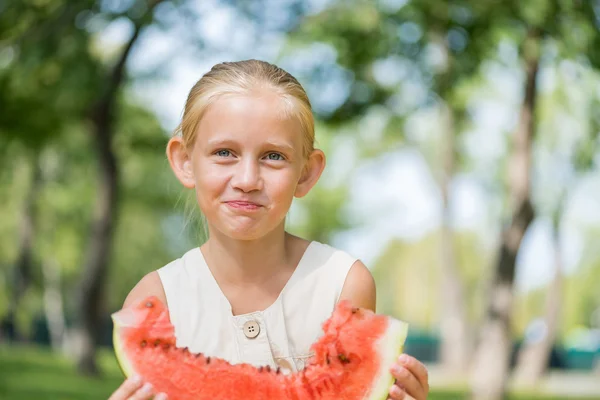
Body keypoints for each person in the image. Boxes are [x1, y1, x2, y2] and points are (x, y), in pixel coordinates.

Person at [108, 60, 429, 400]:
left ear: (306, 173)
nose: (247, 180)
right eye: (224, 153)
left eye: (273, 156)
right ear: (185, 162)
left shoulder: (343, 282)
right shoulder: (154, 300)